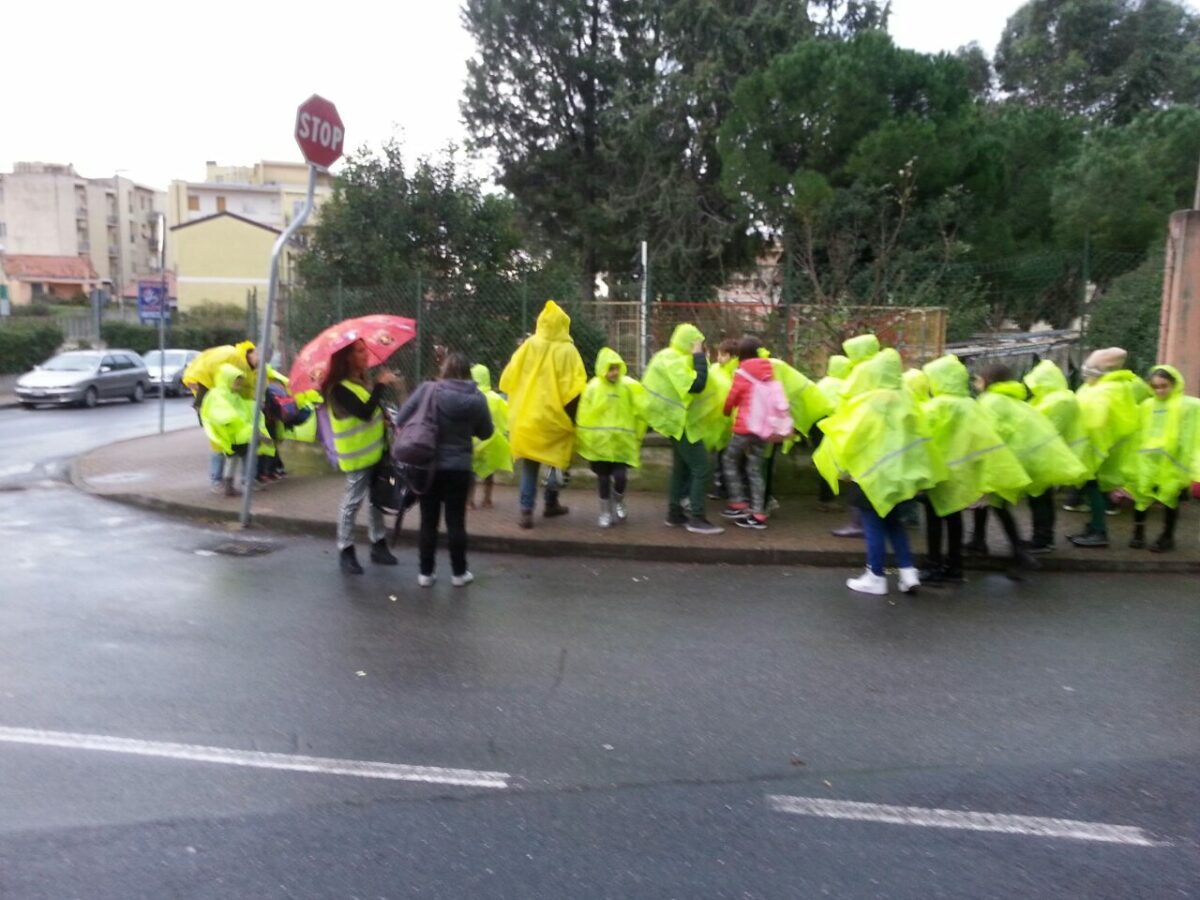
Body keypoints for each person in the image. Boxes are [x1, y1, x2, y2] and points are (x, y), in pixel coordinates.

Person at [815, 347, 945, 596]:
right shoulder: (906, 398)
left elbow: (851, 436)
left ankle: (875, 575)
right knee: (894, 524)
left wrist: (842, 467)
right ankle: (909, 574)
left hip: (870, 474)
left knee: (872, 525)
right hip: (900, 475)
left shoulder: (869, 401)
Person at [920, 355, 1030, 585]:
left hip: (939, 474)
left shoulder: (935, 406)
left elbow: (922, 439)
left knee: (934, 521)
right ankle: (955, 567)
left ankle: (934, 566)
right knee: (954, 519)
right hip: (963, 475)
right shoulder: (971, 405)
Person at [971, 363, 1087, 571]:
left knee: (996, 504)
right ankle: (982, 542)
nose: (975, 382)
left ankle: (1018, 552)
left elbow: (989, 434)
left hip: (1009, 460)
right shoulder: (1010, 399)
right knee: (989, 503)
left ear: (987, 381)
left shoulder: (990, 401)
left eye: (978, 378)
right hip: (1026, 457)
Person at [393, 352, 494, 586]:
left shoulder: (428, 390)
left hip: (427, 465)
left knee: (429, 520)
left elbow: (402, 418)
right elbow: (486, 432)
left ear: (444, 370)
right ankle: (459, 573)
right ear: (468, 373)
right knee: (456, 521)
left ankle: (425, 573)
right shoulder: (477, 398)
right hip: (459, 468)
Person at [499, 300, 587, 529]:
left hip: (527, 417)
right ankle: (551, 503)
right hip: (554, 418)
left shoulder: (529, 345)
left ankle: (526, 511)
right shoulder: (568, 351)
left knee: (530, 465)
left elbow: (508, 378)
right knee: (556, 463)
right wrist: (573, 419)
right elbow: (575, 389)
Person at [322, 338, 399, 575]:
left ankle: (378, 545)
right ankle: (346, 551)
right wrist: (379, 385)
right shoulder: (339, 389)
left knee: (377, 499)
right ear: (347, 358)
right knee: (353, 502)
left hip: (376, 451)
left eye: (365, 350)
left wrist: (384, 417)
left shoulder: (359, 383)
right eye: (360, 351)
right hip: (357, 456)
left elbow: (371, 411)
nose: (366, 355)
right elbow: (364, 412)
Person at [641, 323, 726, 535]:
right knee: (702, 468)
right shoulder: (674, 359)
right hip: (681, 424)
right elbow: (695, 385)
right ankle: (697, 518)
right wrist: (699, 356)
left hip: (677, 422)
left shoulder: (669, 356)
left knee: (681, 469)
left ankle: (675, 513)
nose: (702, 347)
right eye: (699, 343)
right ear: (691, 342)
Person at [1068, 348, 1147, 548]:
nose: (1086, 376)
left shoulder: (1107, 390)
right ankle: (1094, 527)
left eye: (1089, 372)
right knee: (1092, 487)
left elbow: (1097, 419)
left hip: (1098, 447)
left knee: (1093, 486)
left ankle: (1099, 531)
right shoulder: (1116, 386)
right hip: (1103, 446)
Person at [1127, 365, 1200, 552]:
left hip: (1173, 462)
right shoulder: (1147, 406)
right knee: (1141, 496)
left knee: (1169, 499)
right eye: (1155, 386)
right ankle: (1138, 533)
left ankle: (1167, 537)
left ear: (1174, 384)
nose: (1159, 390)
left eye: (1164, 386)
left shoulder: (1188, 406)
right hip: (1148, 460)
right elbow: (1138, 432)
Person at [575, 347, 647, 527]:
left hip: (621, 444)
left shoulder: (628, 387)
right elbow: (583, 415)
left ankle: (619, 501)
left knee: (621, 477)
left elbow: (641, 408)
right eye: (610, 368)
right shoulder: (593, 388)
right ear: (602, 369)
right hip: (600, 445)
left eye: (616, 368)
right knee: (603, 479)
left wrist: (638, 434)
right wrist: (585, 440)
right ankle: (605, 512)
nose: (614, 372)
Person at [1023, 359, 1089, 552]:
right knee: (1038, 499)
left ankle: (1043, 540)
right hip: (1044, 456)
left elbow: (1045, 428)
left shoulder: (1060, 400)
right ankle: (1041, 538)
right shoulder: (1049, 398)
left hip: (1048, 457)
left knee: (1041, 499)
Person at [720, 337, 776, 529]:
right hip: (763, 429)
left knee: (728, 459)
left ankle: (738, 501)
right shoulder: (769, 370)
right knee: (755, 470)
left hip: (745, 428)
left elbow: (733, 397)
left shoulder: (742, 372)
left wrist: (726, 411)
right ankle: (759, 513)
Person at [199, 363, 273, 497]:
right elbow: (221, 412)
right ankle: (233, 485)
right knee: (236, 459)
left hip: (239, 432)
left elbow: (243, 408)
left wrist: (254, 406)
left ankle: (242, 483)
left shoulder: (233, 395)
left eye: (239, 383)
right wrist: (239, 421)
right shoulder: (218, 394)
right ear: (227, 380)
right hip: (232, 433)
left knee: (244, 458)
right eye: (236, 383)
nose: (238, 387)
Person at [469, 364, 512, 509]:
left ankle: (469, 501)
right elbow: (505, 417)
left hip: (473, 442)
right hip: (490, 440)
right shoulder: (495, 398)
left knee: (471, 473)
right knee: (489, 471)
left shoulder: (470, 396)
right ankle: (487, 499)